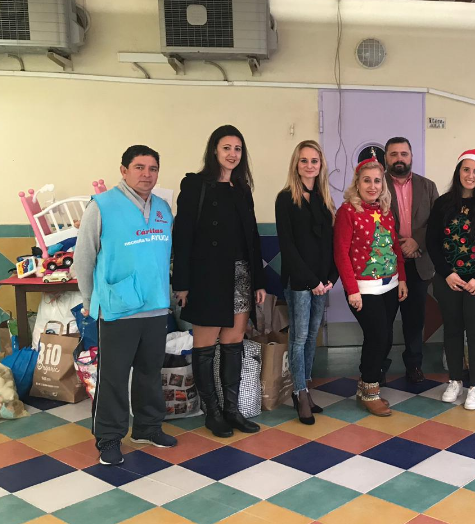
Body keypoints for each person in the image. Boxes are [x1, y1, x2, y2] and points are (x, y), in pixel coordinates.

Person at [74, 145, 177, 466]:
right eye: (139, 167)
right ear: (123, 170)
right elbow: (84, 258)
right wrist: (89, 300)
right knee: (114, 377)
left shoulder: (163, 208)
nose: (147, 174)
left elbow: (165, 258)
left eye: (153, 168)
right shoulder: (102, 206)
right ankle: (109, 438)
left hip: (156, 306)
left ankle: (147, 427)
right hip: (117, 308)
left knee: (149, 372)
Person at [172, 125, 265, 438]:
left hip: (240, 275)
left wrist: (259, 282)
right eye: (226, 148)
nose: (232, 154)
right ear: (214, 150)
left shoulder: (242, 188)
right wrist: (181, 283)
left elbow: (252, 238)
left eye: (238, 149)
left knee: (233, 344)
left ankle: (232, 409)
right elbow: (182, 236)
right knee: (204, 348)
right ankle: (212, 412)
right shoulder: (195, 185)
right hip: (207, 277)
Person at [427, 149, 475, 411]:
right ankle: (455, 381)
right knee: (451, 330)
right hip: (448, 280)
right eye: (465, 169)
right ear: (458, 171)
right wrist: (447, 273)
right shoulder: (443, 204)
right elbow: (432, 243)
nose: (470, 175)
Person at [334, 157, 408, 416]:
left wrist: (402, 280)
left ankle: (365, 384)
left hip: (389, 286)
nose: (373, 186)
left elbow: (394, 247)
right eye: (367, 180)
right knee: (378, 336)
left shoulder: (386, 211)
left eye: (377, 180)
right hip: (363, 289)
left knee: (385, 337)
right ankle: (370, 391)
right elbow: (341, 253)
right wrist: (352, 289)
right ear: (357, 183)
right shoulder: (347, 212)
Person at [275, 140, 338, 424]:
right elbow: (288, 246)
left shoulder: (326, 200)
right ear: (296, 164)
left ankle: (306, 387)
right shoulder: (285, 198)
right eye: (304, 160)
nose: (309, 165)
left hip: (322, 283)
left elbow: (331, 244)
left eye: (314, 160)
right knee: (298, 338)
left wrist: (329, 279)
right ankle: (299, 393)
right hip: (300, 281)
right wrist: (312, 281)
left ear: (321, 164)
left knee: (313, 337)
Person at [385, 137, 439, 384]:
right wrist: (399, 246)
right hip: (385, 263)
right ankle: (378, 368)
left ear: (411, 156)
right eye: (394, 154)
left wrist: (417, 241)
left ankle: (414, 366)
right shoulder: (376, 184)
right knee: (382, 319)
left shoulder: (428, 187)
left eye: (403, 154)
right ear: (386, 158)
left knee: (415, 320)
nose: (399, 158)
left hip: (419, 261)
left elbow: (437, 223)